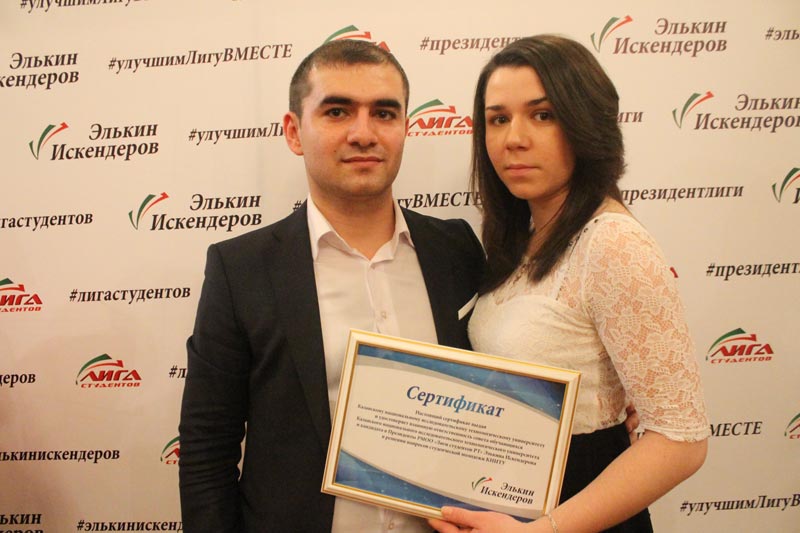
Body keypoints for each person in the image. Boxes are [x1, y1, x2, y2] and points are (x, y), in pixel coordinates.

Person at [178, 39, 485, 532]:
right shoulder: (241, 269)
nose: (363, 134)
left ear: (405, 128)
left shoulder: (456, 249)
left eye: (384, 113)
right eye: (337, 111)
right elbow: (206, 446)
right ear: (294, 132)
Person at [429, 35, 710, 533]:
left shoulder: (613, 244)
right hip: (513, 500)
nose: (514, 138)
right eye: (498, 119)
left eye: (543, 115)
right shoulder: (522, 237)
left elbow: (681, 440)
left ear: (586, 123)